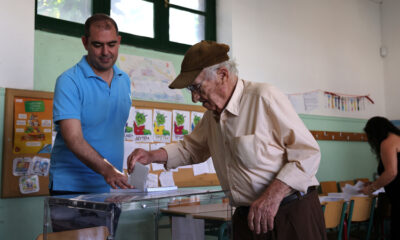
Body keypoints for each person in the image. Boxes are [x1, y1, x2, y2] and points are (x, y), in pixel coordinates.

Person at [128, 40, 327, 240]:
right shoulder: (211, 117)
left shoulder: (263, 98)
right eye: (191, 90)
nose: (195, 98)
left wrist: (272, 196)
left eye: (197, 87)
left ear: (222, 75)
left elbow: (308, 154)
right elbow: (190, 149)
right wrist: (151, 155)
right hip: (249, 218)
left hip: (290, 213)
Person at [50, 13, 132, 232]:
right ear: (85, 42)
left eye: (111, 44)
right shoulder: (69, 81)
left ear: (119, 42)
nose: (106, 52)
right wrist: (108, 170)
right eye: (98, 45)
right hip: (71, 190)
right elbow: (73, 138)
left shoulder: (125, 80)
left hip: (111, 189)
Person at [361, 116, 400, 239]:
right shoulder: (397, 138)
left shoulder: (387, 142)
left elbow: (391, 172)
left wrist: (371, 188)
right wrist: (376, 182)